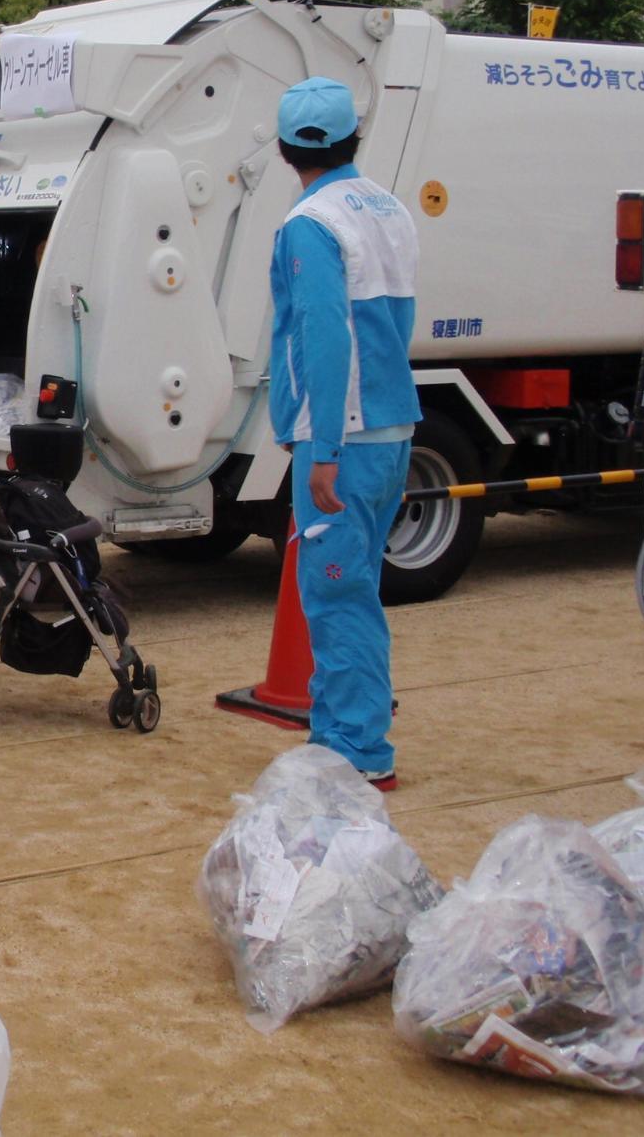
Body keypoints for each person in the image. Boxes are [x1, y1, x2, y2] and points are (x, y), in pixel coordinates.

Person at [268, 77, 421, 791]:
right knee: (353, 589)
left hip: (343, 439)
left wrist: (322, 447)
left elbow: (323, 335)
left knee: (337, 594)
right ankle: (338, 734)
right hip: (391, 427)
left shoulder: (312, 223)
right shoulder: (387, 208)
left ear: (283, 148)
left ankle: (356, 750)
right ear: (352, 138)